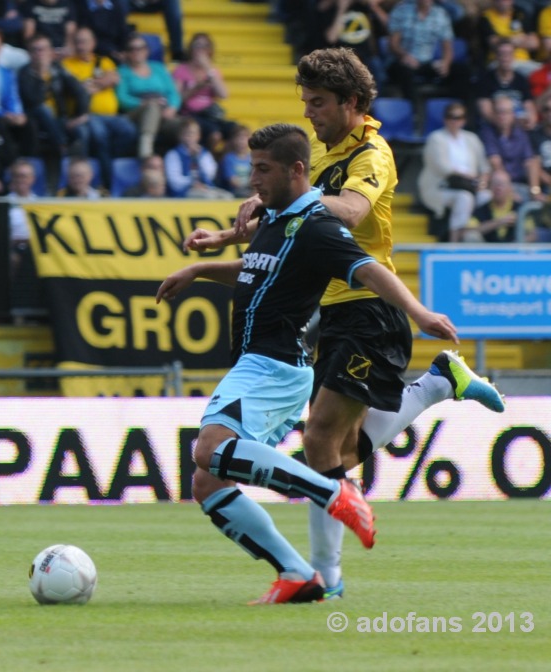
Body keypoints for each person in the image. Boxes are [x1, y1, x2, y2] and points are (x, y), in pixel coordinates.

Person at [183, 48, 505, 599]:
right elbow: (298, 218)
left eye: (319, 103)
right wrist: (245, 224)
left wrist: (275, 203)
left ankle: (322, 577)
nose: (310, 113)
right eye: (306, 102)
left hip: (368, 307)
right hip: (331, 307)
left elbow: (350, 214)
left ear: (351, 102)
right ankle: (436, 385)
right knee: (331, 450)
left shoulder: (372, 155)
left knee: (323, 441)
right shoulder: (331, 156)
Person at [156, 123, 459, 604]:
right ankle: (298, 574)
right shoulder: (277, 219)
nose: (253, 180)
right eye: (252, 168)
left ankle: (333, 493)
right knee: (208, 480)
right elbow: (252, 268)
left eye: (263, 169)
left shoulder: (317, 226)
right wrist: (198, 269)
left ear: (297, 170)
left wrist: (420, 313)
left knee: (209, 449)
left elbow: (369, 269)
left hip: (272, 364)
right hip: (266, 363)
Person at [62, 25, 136, 188]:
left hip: (112, 116)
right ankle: (106, 184)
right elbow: (74, 89)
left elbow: (115, 79)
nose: (81, 45)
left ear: (93, 43)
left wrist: (90, 84)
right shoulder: (67, 64)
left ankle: (106, 158)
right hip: (87, 116)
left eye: (85, 41)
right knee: (99, 135)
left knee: (129, 131)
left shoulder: (104, 61)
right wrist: (102, 82)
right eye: (78, 42)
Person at [417, 102, 492, 242]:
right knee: (464, 198)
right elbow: (442, 167)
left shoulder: (472, 138)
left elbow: (484, 166)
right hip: (442, 187)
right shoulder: (436, 138)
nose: (454, 120)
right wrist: (469, 176)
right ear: (445, 119)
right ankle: (455, 241)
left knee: (487, 196)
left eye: (459, 117)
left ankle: (484, 235)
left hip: (471, 185)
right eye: (451, 116)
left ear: (464, 119)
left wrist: (483, 181)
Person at [386, 0, 472, 106]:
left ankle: (454, 110)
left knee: (463, 71)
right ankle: (414, 113)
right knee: (404, 72)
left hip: (427, 62)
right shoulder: (402, 11)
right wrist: (404, 56)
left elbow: (448, 47)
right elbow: (393, 44)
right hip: (403, 60)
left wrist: (445, 63)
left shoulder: (440, 14)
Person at [18, 33, 90, 158]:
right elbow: (33, 100)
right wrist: (41, 75)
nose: (39, 53)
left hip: (60, 118)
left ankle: (81, 165)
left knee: (82, 130)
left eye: (43, 49)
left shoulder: (58, 68)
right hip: (35, 120)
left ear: (51, 52)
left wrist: (81, 115)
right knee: (42, 109)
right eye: (35, 50)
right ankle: (62, 145)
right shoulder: (23, 73)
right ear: (29, 54)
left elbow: (79, 90)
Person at [116, 32, 180, 158]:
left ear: (146, 51)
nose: (136, 51)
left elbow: (173, 93)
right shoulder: (122, 71)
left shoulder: (159, 68)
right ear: (127, 53)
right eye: (131, 49)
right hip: (137, 112)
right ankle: (145, 154)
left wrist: (172, 108)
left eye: (140, 48)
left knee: (186, 125)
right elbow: (122, 98)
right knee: (152, 108)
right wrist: (143, 103)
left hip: (163, 111)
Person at [171, 32, 233, 154]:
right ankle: (208, 160)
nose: (201, 50)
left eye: (205, 46)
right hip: (190, 114)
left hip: (210, 114)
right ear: (191, 48)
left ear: (210, 50)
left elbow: (224, 94)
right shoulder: (181, 69)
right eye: (197, 45)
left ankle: (223, 161)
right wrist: (197, 88)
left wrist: (209, 69)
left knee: (235, 131)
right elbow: (176, 99)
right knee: (215, 134)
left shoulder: (212, 70)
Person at [479, 92, 543, 203]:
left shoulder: (520, 132)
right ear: (493, 114)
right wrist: (510, 191)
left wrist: (534, 191)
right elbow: (495, 163)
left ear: (513, 114)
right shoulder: (487, 132)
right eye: (498, 112)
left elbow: (530, 161)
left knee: (535, 161)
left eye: (505, 112)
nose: (501, 116)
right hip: (499, 185)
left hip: (521, 182)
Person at [163, 117, 232, 199]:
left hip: (206, 188)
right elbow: (174, 181)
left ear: (198, 136)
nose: (190, 136)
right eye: (186, 133)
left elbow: (210, 174)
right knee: (208, 197)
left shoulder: (204, 153)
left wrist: (199, 157)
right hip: (183, 191)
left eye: (193, 133)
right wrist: (192, 183)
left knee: (227, 197)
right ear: (180, 136)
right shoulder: (173, 154)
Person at [476, 39, 537, 131]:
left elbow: (529, 106)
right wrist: (506, 123)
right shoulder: (485, 80)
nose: (506, 58)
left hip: (519, 128)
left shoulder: (521, 80)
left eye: (509, 54)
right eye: (502, 54)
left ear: (513, 56)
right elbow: (486, 112)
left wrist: (531, 120)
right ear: (496, 56)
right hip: (494, 128)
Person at [478, 0, 541, 77]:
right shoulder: (486, 17)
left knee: (543, 75)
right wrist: (513, 40)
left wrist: (502, 39)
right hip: (498, 62)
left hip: (523, 61)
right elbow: (493, 43)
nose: (503, 2)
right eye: (500, 1)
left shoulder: (520, 13)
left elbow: (535, 44)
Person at [462, 168, 528, 241]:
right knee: (471, 236)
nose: (498, 188)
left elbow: (533, 233)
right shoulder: (481, 210)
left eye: (502, 184)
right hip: (487, 251)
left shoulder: (520, 209)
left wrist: (515, 246)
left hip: (514, 251)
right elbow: (466, 232)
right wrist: (499, 222)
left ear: (510, 187)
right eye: (495, 184)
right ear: (490, 187)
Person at [219, 123, 252, 197]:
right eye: (239, 138)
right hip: (234, 192)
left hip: (250, 189)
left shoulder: (252, 158)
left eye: (244, 138)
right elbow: (233, 182)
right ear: (233, 140)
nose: (241, 142)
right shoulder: (228, 159)